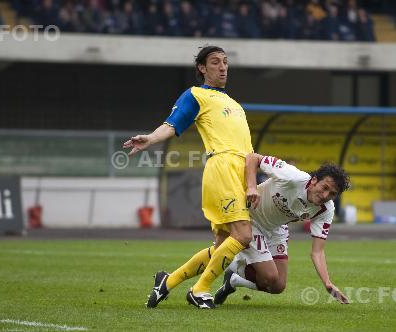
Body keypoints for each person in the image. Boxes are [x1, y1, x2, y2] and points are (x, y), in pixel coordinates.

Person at [123, 45, 254, 309]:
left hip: (240, 171)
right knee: (243, 236)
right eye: (215, 62)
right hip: (223, 167)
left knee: (221, 245)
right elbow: (173, 123)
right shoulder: (196, 95)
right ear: (202, 68)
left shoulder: (234, 104)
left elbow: (248, 150)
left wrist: (252, 180)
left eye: (226, 62)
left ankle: (167, 282)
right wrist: (150, 138)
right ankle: (200, 289)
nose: (223, 67)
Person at [214, 153, 350, 305]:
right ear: (314, 180)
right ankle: (228, 259)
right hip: (251, 219)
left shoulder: (326, 209)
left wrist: (327, 283)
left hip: (276, 229)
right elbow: (252, 158)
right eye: (325, 188)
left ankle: (233, 280)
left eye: (332, 194)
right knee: (270, 276)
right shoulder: (293, 176)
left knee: (278, 286)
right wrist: (252, 187)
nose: (325, 195)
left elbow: (317, 251)